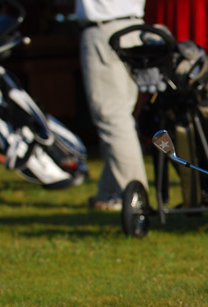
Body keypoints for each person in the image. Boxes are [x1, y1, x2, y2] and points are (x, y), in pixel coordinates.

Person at [76, 0, 148, 211]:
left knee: (113, 118)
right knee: (120, 117)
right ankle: (108, 193)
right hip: (132, 26)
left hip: (105, 29)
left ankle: (136, 199)